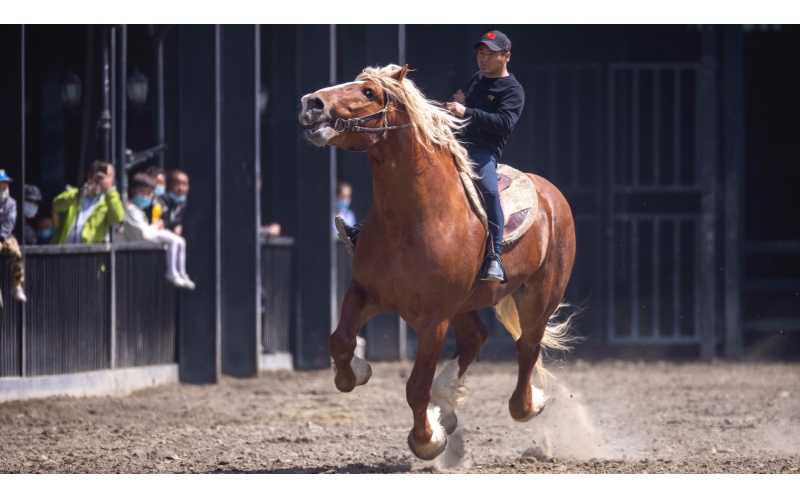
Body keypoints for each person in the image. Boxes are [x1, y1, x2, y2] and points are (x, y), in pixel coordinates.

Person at [336, 30, 525, 283]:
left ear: (507, 56)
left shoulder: (513, 90)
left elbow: (504, 122)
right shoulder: (477, 79)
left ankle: (495, 256)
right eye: (481, 53)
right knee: (407, 172)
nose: (484, 59)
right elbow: (460, 111)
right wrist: (452, 106)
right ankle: (366, 230)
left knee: (489, 189)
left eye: (491, 54)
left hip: (482, 151)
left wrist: (466, 110)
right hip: (452, 141)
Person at [118, 172, 195, 289]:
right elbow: (144, 235)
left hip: (153, 231)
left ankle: (182, 273)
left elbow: (155, 198)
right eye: (144, 192)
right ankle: (172, 273)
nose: (148, 196)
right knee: (174, 241)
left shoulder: (163, 200)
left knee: (180, 241)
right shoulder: (133, 209)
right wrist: (156, 226)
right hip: (143, 240)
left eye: (161, 183)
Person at [52, 160, 125, 244]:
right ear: (90, 176)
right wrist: (79, 194)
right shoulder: (75, 193)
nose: (102, 178)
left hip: (88, 253)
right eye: (98, 175)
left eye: (107, 176)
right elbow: (56, 206)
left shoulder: (109, 202)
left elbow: (117, 218)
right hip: (64, 251)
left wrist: (110, 190)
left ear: (112, 180)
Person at [0, 170, 27, 302]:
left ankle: (17, 285)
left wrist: (1, 238)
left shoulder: (11, 203)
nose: (3, 191)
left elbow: (9, 222)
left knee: (15, 252)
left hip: (4, 236)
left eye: (5, 187)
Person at [159, 169, 189, 236]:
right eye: (177, 184)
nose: (181, 188)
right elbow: (153, 197)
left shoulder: (185, 202)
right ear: (169, 185)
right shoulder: (161, 198)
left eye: (184, 184)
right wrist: (155, 197)